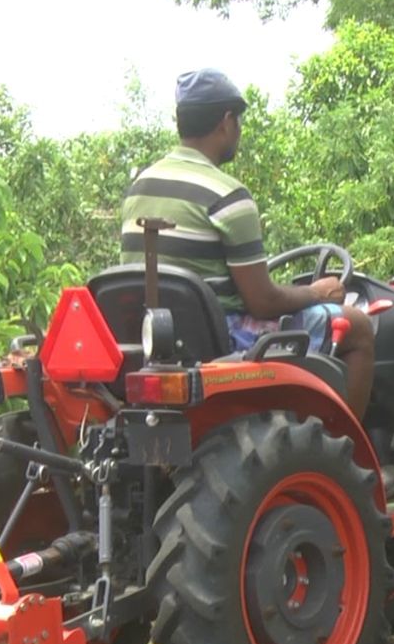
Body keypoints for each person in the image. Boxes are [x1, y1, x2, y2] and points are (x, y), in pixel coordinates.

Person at [118, 68, 376, 419]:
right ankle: (349, 456)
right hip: (219, 337)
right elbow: (263, 302)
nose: (238, 130)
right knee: (358, 327)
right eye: (238, 121)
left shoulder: (140, 187)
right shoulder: (227, 195)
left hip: (155, 338)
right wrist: (316, 292)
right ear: (226, 122)